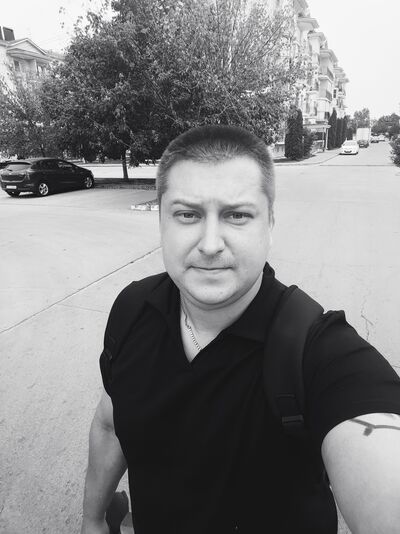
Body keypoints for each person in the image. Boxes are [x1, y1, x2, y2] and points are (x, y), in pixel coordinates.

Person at [81, 125, 400, 534]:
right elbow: (111, 424)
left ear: (270, 225)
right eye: (188, 214)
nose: (210, 244)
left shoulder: (317, 351)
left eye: (237, 215)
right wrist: (92, 518)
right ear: (161, 221)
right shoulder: (132, 308)